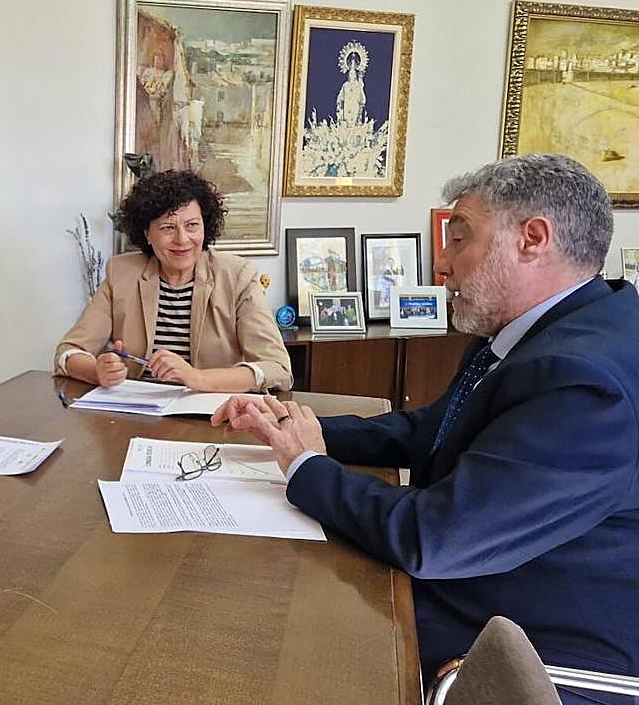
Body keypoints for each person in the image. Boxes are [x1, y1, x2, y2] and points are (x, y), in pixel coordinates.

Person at [211, 154, 639, 704]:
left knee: (264, 637)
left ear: (532, 239)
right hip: (482, 588)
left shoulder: (583, 383)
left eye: (459, 238)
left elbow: (435, 538)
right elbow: (430, 430)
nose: (441, 262)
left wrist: (306, 467)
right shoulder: (549, 332)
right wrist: (300, 426)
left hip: (534, 648)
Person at [54, 170, 292, 392]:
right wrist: (98, 371)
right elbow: (68, 353)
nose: (182, 239)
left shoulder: (237, 275)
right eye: (168, 228)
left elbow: (278, 368)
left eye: (192, 226)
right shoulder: (122, 273)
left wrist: (197, 378)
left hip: (212, 415)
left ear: (205, 227)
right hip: (136, 412)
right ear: (147, 234)